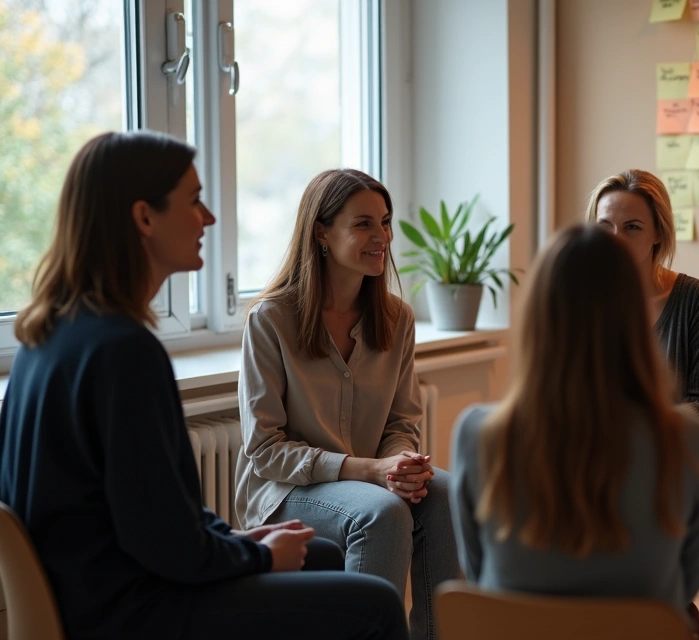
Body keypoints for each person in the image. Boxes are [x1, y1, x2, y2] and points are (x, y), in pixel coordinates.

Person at [0, 131, 405, 640]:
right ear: (145, 217)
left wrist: (242, 543)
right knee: (375, 606)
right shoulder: (123, 352)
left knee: (318, 554)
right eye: (193, 201)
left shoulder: (49, 334)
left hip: (96, 591)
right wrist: (257, 555)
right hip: (130, 611)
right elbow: (169, 545)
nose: (208, 218)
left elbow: (159, 519)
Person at [235, 168, 460, 640]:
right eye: (363, 224)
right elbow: (265, 450)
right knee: (382, 513)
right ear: (321, 232)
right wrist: (369, 471)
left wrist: (399, 463)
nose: (382, 237)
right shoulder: (270, 319)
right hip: (284, 490)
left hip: (367, 478)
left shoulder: (397, 318)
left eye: (385, 222)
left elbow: (401, 422)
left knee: (445, 494)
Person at [449, 224, 699, 616]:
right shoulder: (685, 436)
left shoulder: (477, 433)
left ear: (536, 315)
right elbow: (687, 581)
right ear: (636, 315)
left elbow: (478, 572)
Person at [586, 170, 699, 437]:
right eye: (605, 226)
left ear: (658, 232)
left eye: (632, 227)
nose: (616, 239)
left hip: (665, 451)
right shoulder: (582, 299)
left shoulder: (694, 298)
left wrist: (642, 428)